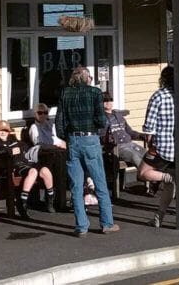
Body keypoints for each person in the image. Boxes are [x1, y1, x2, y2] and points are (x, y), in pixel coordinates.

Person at [57, 65, 118, 237]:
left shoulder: (65, 93)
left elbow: (60, 120)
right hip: (90, 138)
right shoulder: (94, 93)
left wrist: (66, 136)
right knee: (99, 180)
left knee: (76, 185)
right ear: (87, 78)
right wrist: (97, 129)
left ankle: (81, 226)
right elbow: (101, 119)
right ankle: (106, 223)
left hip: (73, 140)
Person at [140, 65, 179, 228]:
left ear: (163, 79)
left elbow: (148, 127)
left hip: (163, 148)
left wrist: (150, 139)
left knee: (144, 172)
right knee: (169, 187)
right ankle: (159, 216)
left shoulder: (158, 96)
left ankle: (167, 178)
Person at [0, 120, 55, 218]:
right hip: (14, 166)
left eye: (6, 131)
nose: (3, 133)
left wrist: (17, 149)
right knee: (33, 172)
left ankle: (50, 200)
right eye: (0, 131)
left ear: (9, 132)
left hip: (26, 162)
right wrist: (13, 150)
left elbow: (24, 146)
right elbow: (2, 152)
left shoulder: (13, 140)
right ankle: (23, 201)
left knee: (45, 170)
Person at [100, 91, 146, 168]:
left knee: (146, 154)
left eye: (110, 100)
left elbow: (130, 132)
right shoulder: (100, 118)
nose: (108, 102)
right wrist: (108, 139)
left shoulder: (119, 116)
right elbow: (101, 137)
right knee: (134, 156)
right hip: (117, 148)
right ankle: (146, 175)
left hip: (130, 144)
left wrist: (143, 135)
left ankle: (156, 176)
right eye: (105, 101)